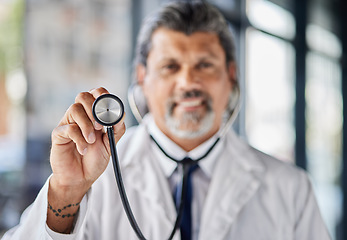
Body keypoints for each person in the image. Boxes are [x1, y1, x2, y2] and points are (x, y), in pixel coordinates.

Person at [2, 2, 330, 240]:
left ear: (231, 76)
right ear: (142, 78)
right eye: (170, 67)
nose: (188, 83)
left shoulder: (290, 189)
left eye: (204, 65)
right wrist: (66, 192)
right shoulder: (93, 180)